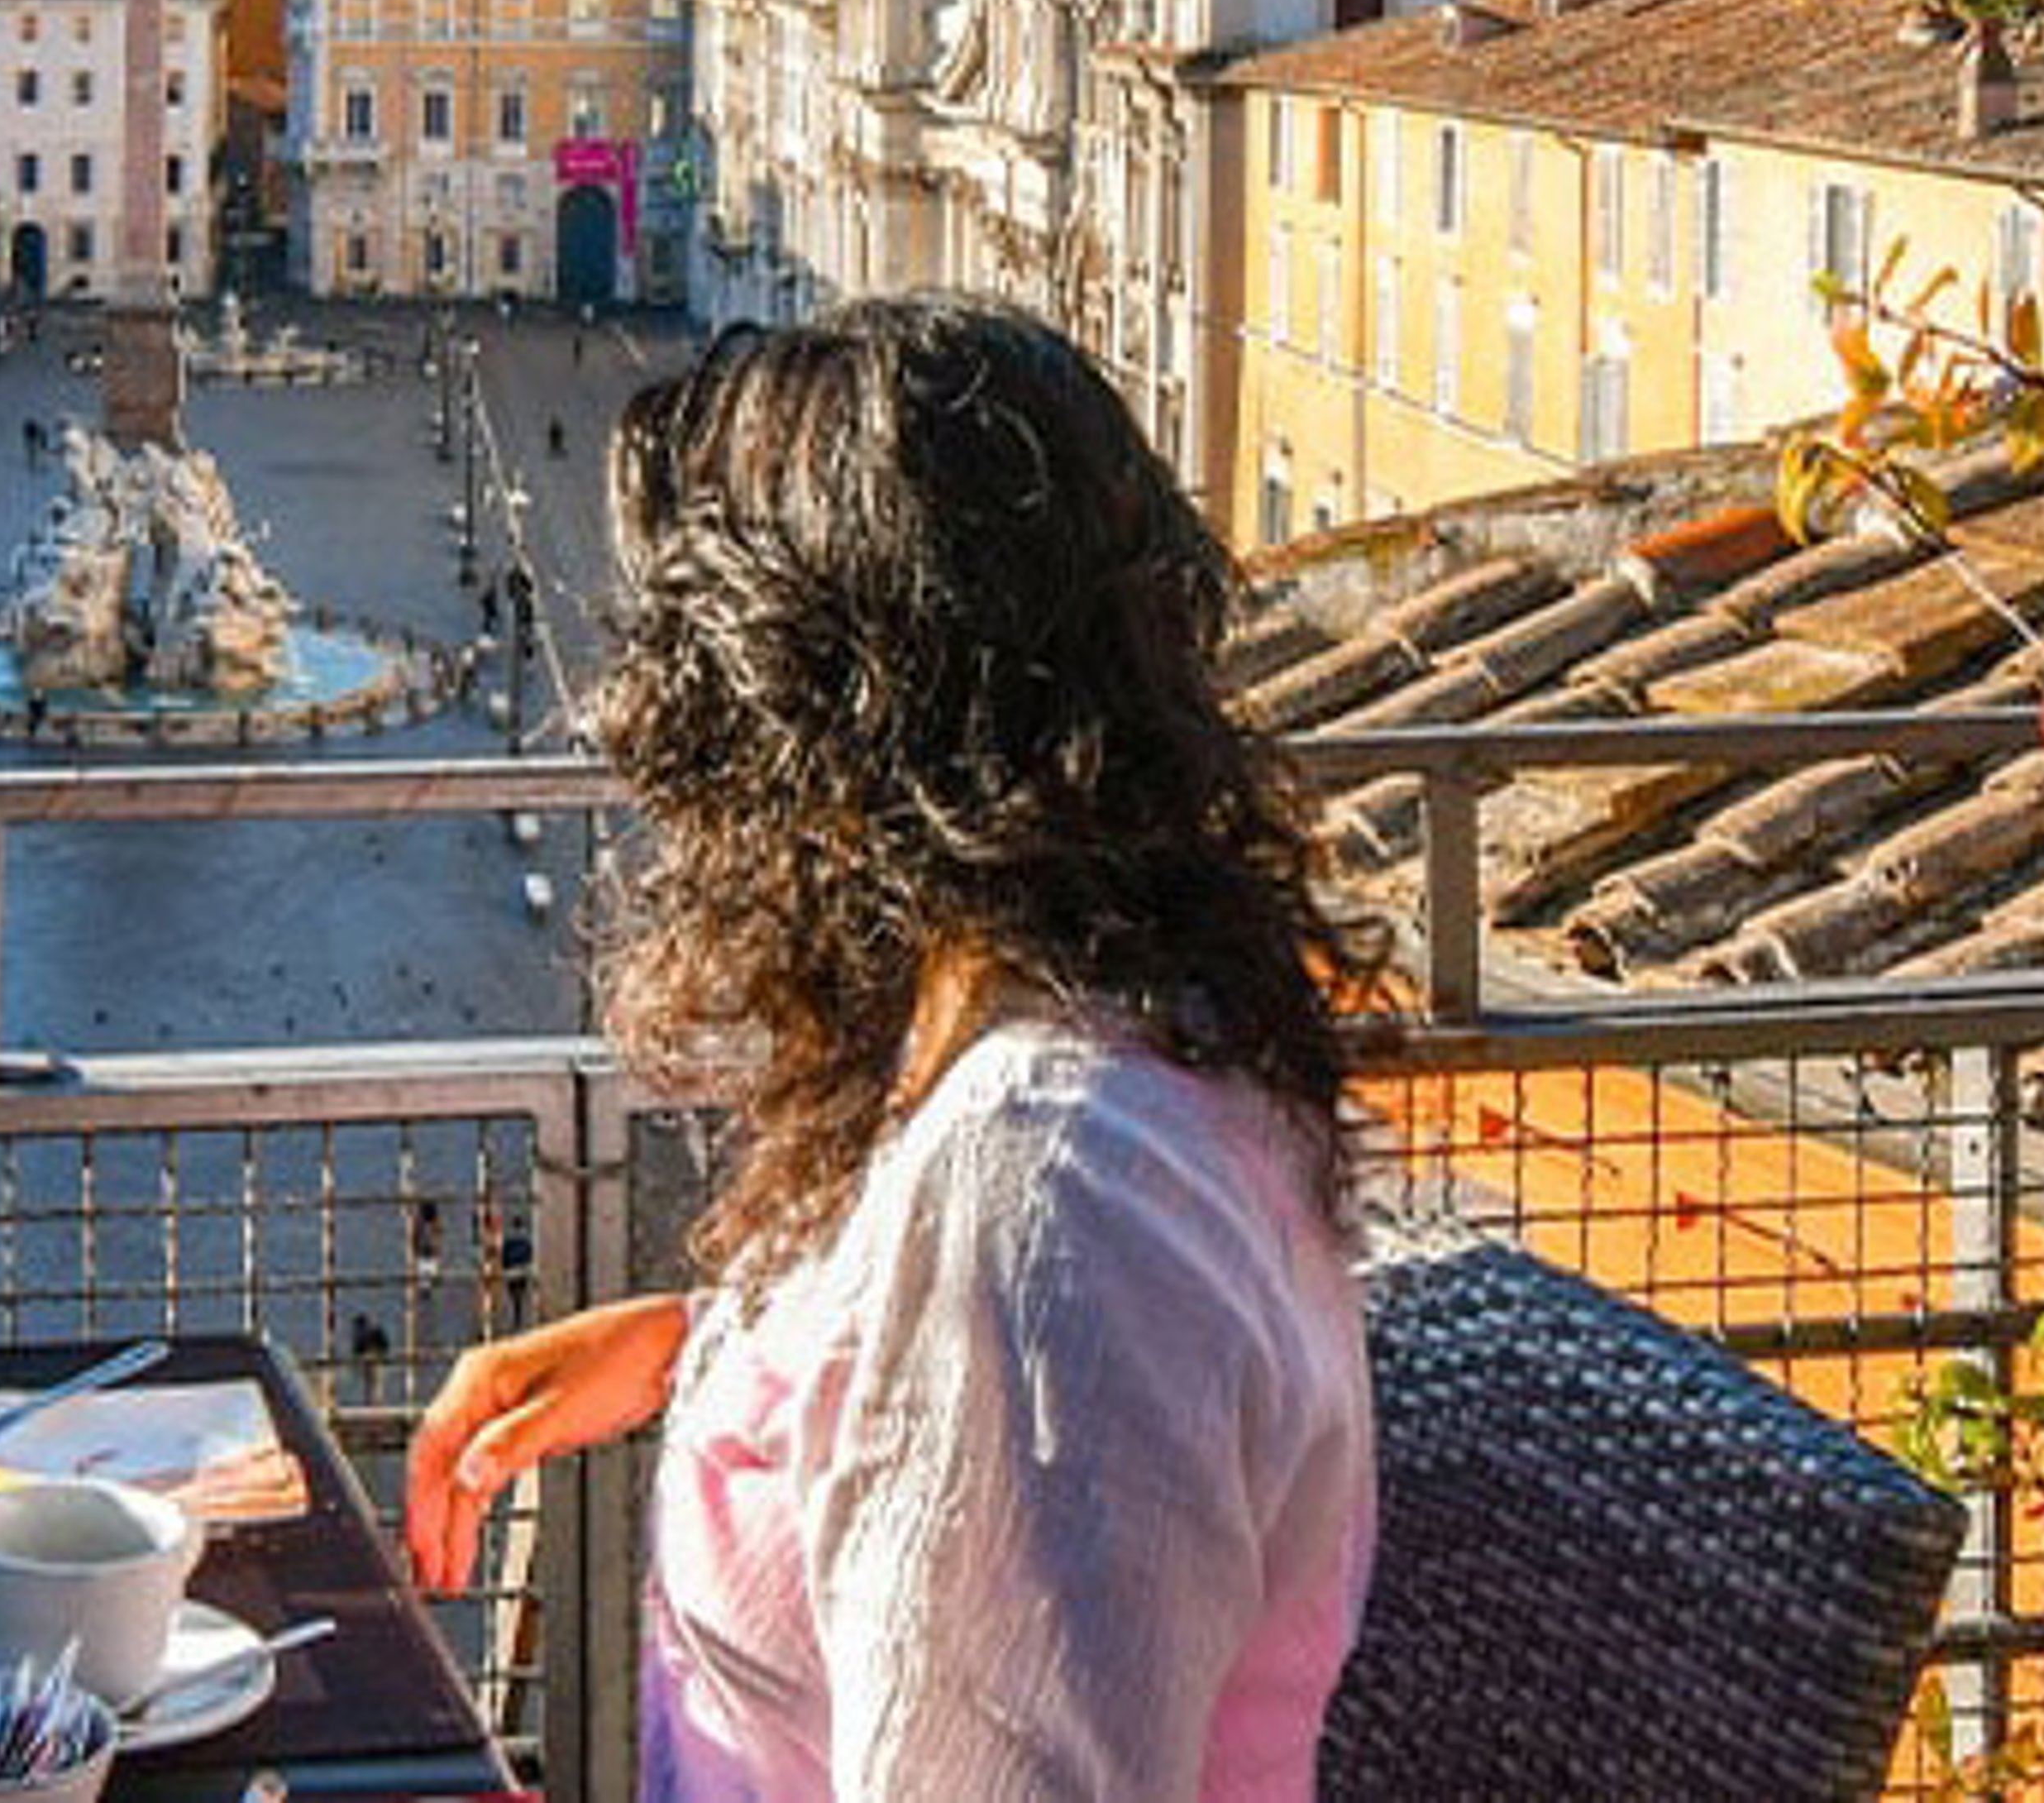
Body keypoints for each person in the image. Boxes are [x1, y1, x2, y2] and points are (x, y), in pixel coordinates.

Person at [405, 301, 1380, 1801]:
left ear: (809, 737)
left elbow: (1039, 1371)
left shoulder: (1051, 1201)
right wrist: (718, 1352)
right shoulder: (1106, 1045)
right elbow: (999, 1452)